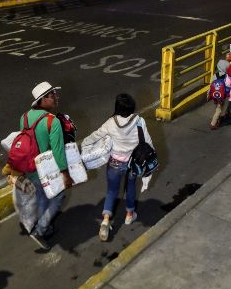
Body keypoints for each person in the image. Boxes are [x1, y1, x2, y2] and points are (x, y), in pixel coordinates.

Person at [82, 93, 153, 242]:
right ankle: (129, 215)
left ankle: (106, 220)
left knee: (112, 191)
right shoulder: (140, 121)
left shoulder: (110, 123)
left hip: (114, 163)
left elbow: (95, 136)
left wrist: (84, 144)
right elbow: (148, 142)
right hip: (132, 163)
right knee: (131, 187)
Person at [21, 81, 74, 250]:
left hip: (29, 168)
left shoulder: (24, 117)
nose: (56, 98)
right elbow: (58, 152)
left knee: (42, 197)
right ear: (42, 100)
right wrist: (66, 174)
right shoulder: (53, 122)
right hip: (46, 170)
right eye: (52, 95)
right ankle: (40, 229)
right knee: (58, 197)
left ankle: (45, 226)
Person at [207, 59, 231, 130]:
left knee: (217, 107)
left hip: (215, 95)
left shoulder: (215, 75)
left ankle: (218, 118)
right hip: (222, 96)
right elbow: (228, 86)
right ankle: (213, 124)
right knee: (219, 109)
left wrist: (208, 93)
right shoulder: (226, 76)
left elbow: (211, 85)